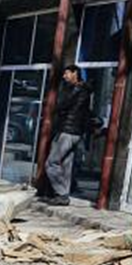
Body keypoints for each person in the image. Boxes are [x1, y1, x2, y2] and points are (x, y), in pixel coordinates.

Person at [44, 64, 101, 206]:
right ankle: (63, 194)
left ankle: (62, 194)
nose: (64, 76)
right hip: (74, 133)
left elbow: (63, 105)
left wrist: (55, 108)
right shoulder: (84, 91)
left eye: (67, 73)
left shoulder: (77, 90)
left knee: (51, 163)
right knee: (66, 165)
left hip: (68, 132)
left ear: (75, 73)